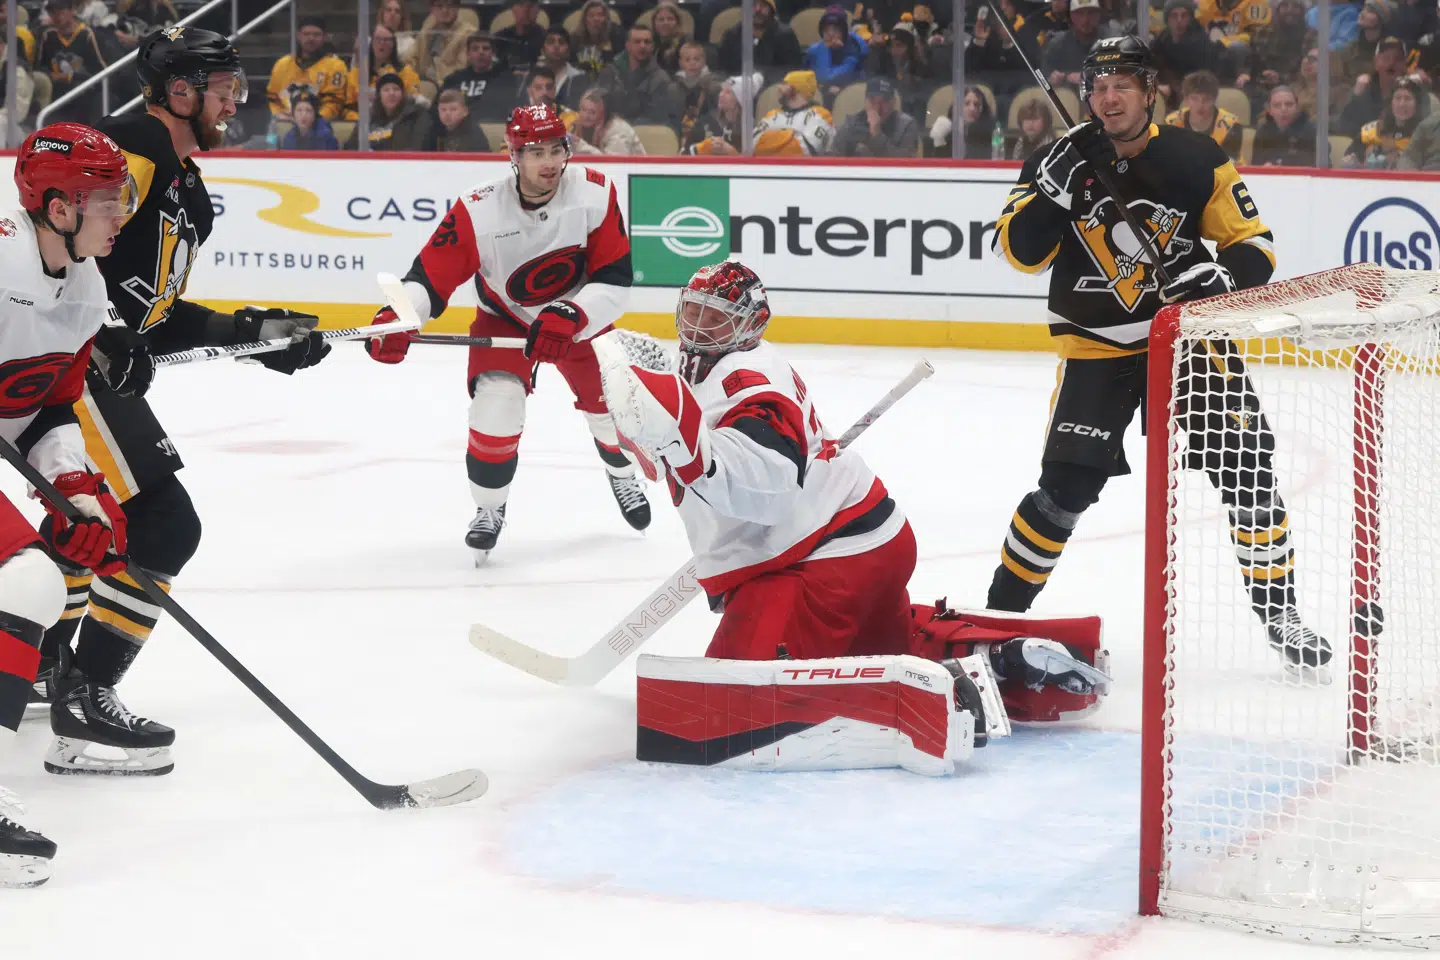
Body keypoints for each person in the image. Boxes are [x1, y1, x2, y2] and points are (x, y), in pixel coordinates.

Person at [598, 260, 1109, 729]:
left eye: (716, 318)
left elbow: (768, 489)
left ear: (752, 324)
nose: (697, 328)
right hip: (862, 543)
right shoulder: (709, 368)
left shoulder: (751, 381)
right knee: (878, 649)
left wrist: (682, 444)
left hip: (825, 561)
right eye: (694, 312)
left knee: (732, 703)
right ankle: (991, 659)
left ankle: (944, 696)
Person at [31, 29, 332, 776]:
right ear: (177, 90)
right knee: (163, 523)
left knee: (91, 524)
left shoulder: (183, 181)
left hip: (93, 362)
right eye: (221, 87)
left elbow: (153, 315)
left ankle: (42, 657)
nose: (235, 100)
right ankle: (85, 700)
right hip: (69, 365)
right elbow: (61, 250)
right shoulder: (131, 147)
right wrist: (104, 333)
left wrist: (255, 333)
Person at [986, 36, 1330, 678]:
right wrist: (1053, 194)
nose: (1107, 97)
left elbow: (1255, 244)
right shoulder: (1055, 158)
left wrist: (1222, 280)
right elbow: (1020, 254)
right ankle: (997, 619)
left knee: (1248, 475)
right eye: (1097, 85)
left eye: (1122, 84)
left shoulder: (1196, 157)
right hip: (1096, 349)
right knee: (1063, 493)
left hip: (1188, 344)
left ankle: (1281, 615)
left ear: (1150, 92)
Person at [364, 105, 652, 562]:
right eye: (535, 151)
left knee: (615, 414)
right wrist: (398, 316)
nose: (550, 162)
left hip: (578, 319)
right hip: (505, 319)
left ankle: (620, 472)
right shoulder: (479, 208)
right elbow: (428, 276)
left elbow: (615, 283)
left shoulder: (595, 192)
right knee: (495, 411)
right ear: (512, 155)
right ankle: (489, 509)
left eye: (557, 149)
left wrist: (572, 315)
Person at [0, 123, 143, 888]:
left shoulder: (85, 288)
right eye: (104, 201)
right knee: (26, 580)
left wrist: (75, 489)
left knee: (38, 573)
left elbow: (46, 406)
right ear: (57, 209)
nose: (118, 215)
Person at [596, 24, 682, 127]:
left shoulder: (660, 79)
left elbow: (656, 118)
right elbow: (596, 102)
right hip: (607, 128)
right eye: (637, 42)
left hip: (642, 133)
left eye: (647, 42)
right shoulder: (610, 71)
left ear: (652, 46)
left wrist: (622, 125)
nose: (642, 46)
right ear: (627, 45)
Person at [266, 16, 348, 123]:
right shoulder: (282, 64)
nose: (311, 38)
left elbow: (335, 102)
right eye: (306, 34)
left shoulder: (336, 66)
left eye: (316, 34)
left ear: (325, 37)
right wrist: (279, 115)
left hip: (320, 126)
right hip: (285, 122)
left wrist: (313, 121)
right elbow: (273, 98)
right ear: (298, 36)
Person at [36, 0, 107, 123]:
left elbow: (101, 73)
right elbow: (40, 68)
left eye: (61, 11)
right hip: (55, 94)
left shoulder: (87, 35)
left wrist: (70, 76)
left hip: (82, 95)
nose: (57, 16)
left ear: (72, 10)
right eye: (52, 12)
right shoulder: (48, 36)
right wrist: (50, 75)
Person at [1152, 0, 1228, 110]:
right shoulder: (1163, 37)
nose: (1179, 20)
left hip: (1195, 94)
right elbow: (1152, 61)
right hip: (1168, 89)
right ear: (1167, 19)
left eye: (1184, 15)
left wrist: (1172, 90)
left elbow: (1202, 79)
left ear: (1190, 18)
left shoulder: (1200, 42)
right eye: (1174, 15)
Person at [1346, 75, 1429, 167]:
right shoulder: (1373, 130)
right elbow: (1349, 157)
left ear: (1417, 104)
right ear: (1391, 103)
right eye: (1397, 98)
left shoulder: (1426, 135)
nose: (1402, 104)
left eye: (1407, 98)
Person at [344, 24, 422, 121]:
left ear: (393, 44)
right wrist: (362, 121)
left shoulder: (406, 73)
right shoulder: (356, 73)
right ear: (371, 42)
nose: (382, 43)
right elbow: (348, 108)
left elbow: (413, 104)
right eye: (378, 39)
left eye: (387, 40)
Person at [1165, 68, 1244, 158]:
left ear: (1214, 99)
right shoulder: (1171, 122)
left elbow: (1228, 162)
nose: (1200, 105)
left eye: (1206, 99)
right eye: (1194, 99)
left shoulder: (1231, 124)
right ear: (1186, 99)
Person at [441, 31, 518, 122]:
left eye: (485, 48)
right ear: (468, 54)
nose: (481, 52)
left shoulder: (506, 80)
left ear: (493, 53)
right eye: (475, 49)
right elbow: (438, 108)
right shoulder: (454, 79)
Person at [754, 69, 835, 155]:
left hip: (806, 168)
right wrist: (791, 135)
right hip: (769, 167)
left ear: (794, 88)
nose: (779, 87)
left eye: (784, 84)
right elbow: (752, 144)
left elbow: (805, 150)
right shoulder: (773, 114)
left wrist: (768, 140)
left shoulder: (822, 115)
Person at [1042, 0, 1118, 92]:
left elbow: (1123, 76)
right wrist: (1050, 80)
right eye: (1079, 13)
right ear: (1070, 15)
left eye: (1091, 12)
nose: (1085, 20)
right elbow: (1043, 81)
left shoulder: (1113, 41)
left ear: (1099, 14)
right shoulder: (1056, 45)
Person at [834, 75, 919, 156]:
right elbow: (834, 159)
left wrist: (877, 134)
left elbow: (905, 165)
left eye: (884, 101)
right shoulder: (851, 124)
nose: (878, 107)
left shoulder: (906, 126)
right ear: (865, 101)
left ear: (893, 102)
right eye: (872, 100)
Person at [348, 72, 434, 150]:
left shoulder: (416, 115)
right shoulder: (368, 117)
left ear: (403, 94)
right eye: (386, 90)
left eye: (396, 89)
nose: (391, 93)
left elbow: (417, 147)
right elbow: (351, 147)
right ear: (379, 95)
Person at [718, 0, 803, 79]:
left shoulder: (785, 36)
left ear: (772, 10)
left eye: (763, 6)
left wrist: (759, 76)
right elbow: (721, 70)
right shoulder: (732, 35)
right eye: (753, 5)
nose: (758, 10)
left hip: (772, 90)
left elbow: (792, 70)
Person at [805, 6, 868, 104]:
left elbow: (828, 78)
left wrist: (829, 50)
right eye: (826, 29)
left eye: (835, 29)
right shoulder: (813, 51)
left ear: (843, 32)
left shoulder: (854, 50)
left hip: (849, 97)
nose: (830, 34)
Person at [410, 0, 475, 85]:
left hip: (449, 86)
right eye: (439, 6)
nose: (445, 10)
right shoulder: (427, 29)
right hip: (421, 84)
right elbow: (411, 58)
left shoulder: (468, 34)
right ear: (432, 9)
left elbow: (461, 70)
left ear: (457, 8)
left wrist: (436, 73)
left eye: (449, 5)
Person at [1250, 83, 1316, 164]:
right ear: (1269, 110)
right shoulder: (1263, 132)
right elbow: (1256, 166)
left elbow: (1316, 167)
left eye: (1289, 104)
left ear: (1297, 107)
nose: (1283, 109)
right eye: (1277, 105)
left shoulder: (1312, 131)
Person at [570, 86, 647, 154]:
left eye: (592, 112)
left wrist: (581, 147)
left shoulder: (618, 132)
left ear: (603, 114)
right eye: (583, 109)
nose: (585, 116)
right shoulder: (578, 125)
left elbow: (613, 165)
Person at [683, 74, 747, 154]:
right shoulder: (705, 123)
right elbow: (685, 153)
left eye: (728, 92)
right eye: (722, 90)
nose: (721, 95)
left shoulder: (749, 129)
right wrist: (701, 148)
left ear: (740, 100)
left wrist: (731, 152)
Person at [926, 85, 994, 157]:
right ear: (956, 108)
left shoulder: (988, 133)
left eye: (976, 105)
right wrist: (938, 140)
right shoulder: (946, 130)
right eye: (967, 104)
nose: (972, 109)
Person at [675, 40, 719, 141]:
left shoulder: (712, 84)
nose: (692, 63)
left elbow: (715, 111)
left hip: (706, 128)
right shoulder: (676, 85)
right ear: (681, 63)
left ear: (704, 61)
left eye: (696, 59)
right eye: (687, 60)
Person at [538, 26, 589, 109]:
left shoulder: (579, 78)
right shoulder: (532, 76)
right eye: (551, 42)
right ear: (542, 49)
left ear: (568, 50)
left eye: (561, 42)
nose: (556, 46)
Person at [571, 0, 625, 78]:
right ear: (584, 20)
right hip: (581, 80)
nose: (596, 19)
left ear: (606, 18)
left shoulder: (617, 34)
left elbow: (620, 64)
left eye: (600, 15)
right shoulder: (575, 37)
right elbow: (571, 64)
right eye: (591, 15)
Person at [493, 0, 546, 76]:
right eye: (521, 5)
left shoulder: (546, 39)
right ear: (513, 10)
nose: (526, 10)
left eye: (530, 5)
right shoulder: (500, 38)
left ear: (538, 10)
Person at [650, 1, 691, 74]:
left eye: (670, 19)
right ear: (654, 23)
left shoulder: (686, 44)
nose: (665, 23)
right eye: (661, 20)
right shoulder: (648, 43)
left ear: (678, 22)